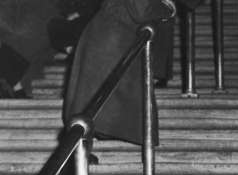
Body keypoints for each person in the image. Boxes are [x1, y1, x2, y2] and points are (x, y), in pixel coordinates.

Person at [64, 0, 175, 147]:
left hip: (109, 34)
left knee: (92, 101)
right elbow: (141, 11)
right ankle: (78, 155)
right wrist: (166, 8)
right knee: (94, 102)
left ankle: (80, 153)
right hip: (112, 39)